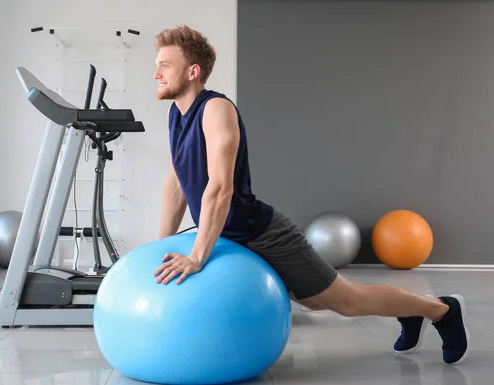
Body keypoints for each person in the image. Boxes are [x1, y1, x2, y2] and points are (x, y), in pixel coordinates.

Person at [150, 25, 469, 365]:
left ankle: (441, 310)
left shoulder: (215, 109)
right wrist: (159, 244)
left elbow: (219, 187)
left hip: (261, 234)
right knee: (317, 301)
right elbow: (177, 181)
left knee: (348, 301)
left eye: (164, 65)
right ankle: (408, 310)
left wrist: (198, 256)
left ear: (192, 71)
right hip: (227, 235)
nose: (156, 73)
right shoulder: (176, 115)